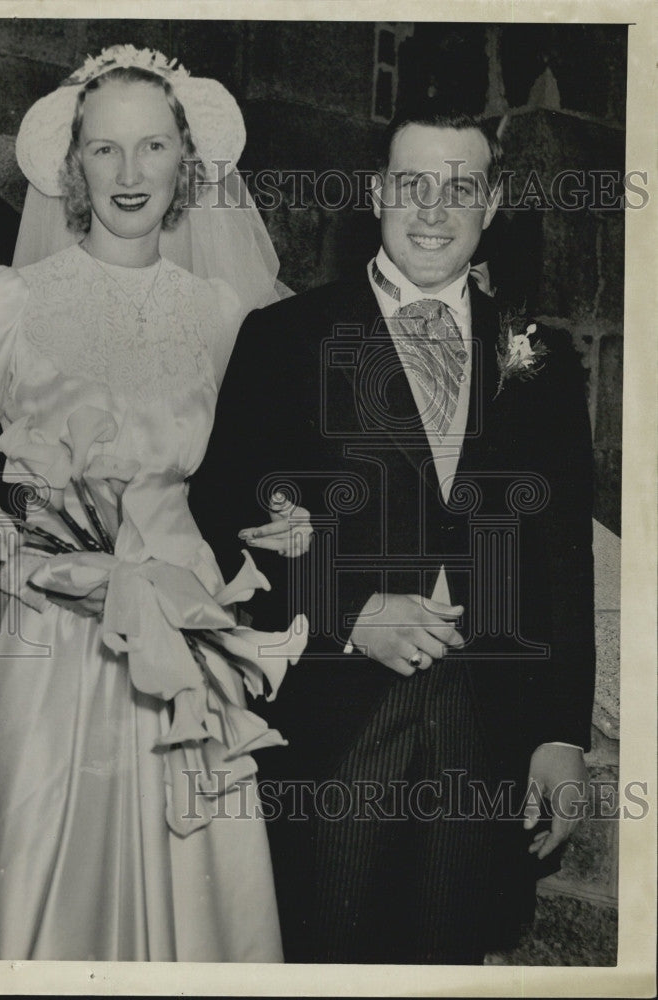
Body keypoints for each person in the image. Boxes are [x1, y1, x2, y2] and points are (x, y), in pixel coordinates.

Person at [0, 45, 307, 962]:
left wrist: (287, 518)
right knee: (45, 907)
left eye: (151, 148)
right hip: (47, 643)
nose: (129, 174)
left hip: (191, 644)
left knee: (202, 914)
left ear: (187, 162)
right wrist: (36, 569)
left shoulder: (227, 315)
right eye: (104, 150)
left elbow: (250, 478)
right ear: (73, 164)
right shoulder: (5, 299)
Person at [190, 107, 596, 963]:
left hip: (485, 728)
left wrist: (560, 737)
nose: (434, 210)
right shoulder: (285, 338)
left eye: (461, 188)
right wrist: (346, 609)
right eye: (412, 184)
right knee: (327, 954)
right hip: (336, 720)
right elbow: (223, 512)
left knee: (452, 965)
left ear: (492, 206)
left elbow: (562, 559)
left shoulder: (541, 360)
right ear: (376, 193)